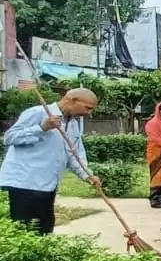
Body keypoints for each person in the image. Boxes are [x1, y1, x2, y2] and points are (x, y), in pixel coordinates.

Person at [0, 87, 101, 234]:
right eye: (88, 108)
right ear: (72, 100)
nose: (88, 113)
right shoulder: (38, 113)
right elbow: (10, 138)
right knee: (26, 229)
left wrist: (87, 175)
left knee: (45, 228)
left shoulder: (72, 124)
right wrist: (42, 127)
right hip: (26, 183)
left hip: (47, 185)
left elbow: (74, 154)